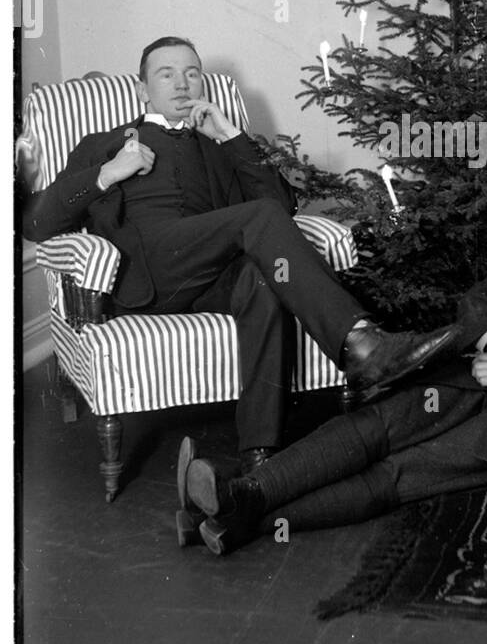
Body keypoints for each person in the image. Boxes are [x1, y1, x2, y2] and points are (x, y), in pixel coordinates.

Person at [175, 126, 487, 555]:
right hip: (479, 376)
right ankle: (243, 493)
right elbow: (482, 296)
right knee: (373, 424)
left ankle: (240, 516)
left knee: (400, 472)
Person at [21, 36, 461, 472]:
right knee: (258, 221)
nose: (182, 84)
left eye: (192, 73)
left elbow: (281, 210)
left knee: (264, 280)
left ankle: (260, 456)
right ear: (142, 89)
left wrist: (231, 136)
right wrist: (108, 173)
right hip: (146, 274)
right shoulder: (104, 144)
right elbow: (35, 224)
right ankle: (361, 345)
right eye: (166, 74)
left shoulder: (219, 145)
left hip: (210, 277)